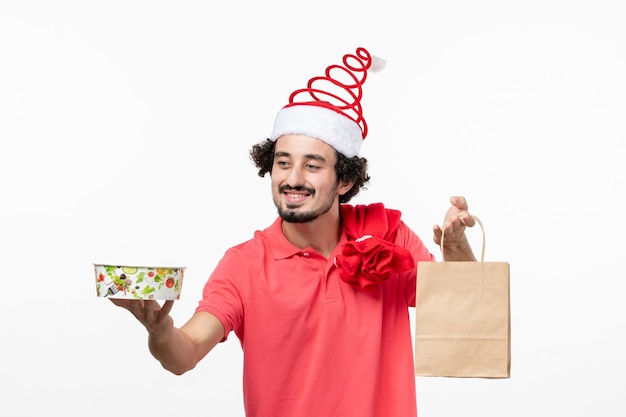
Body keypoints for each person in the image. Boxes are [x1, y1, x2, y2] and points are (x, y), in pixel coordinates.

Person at [111, 47, 477, 417]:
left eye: (312, 165)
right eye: (282, 163)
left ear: (345, 179)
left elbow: (461, 308)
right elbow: (184, 353)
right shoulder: (245, 264)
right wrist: (160, 333)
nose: (293, 179)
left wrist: (458, 246)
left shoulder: (387, 234)